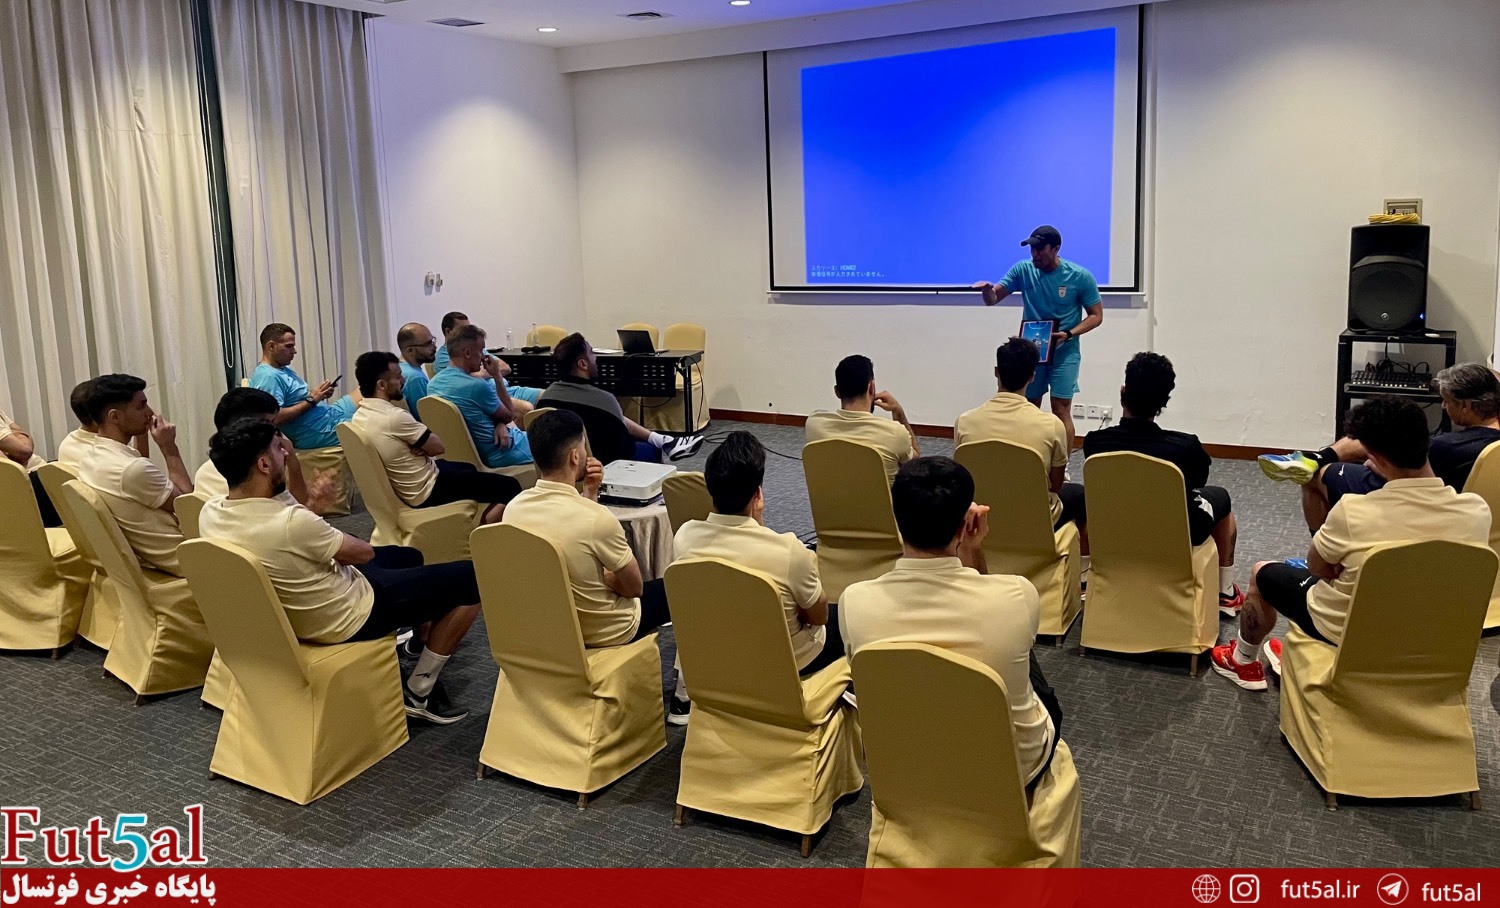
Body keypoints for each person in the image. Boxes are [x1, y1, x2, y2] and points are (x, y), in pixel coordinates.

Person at [198, 418, 480, 723]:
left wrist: (313, 512)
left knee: (408, 556)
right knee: (471, 578)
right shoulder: (291, 523)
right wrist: (317, 515)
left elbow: (293, 534)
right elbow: (363, 553)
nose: (287, 453)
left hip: (299, 610)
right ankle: (420, 690)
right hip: (347, 616)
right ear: (264, 465)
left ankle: (417, 642)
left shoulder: (211, 512)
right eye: (280, 448)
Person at [1211, 395, 1492, 691]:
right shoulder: (1476, 511)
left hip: (1347, 632)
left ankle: (1243, 661)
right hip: (1433, 636)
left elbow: (1316, 568)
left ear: (1376, 458)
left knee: (1262, 571)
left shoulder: (1353, 512)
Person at [840, 457, 1062, 791]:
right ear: (964, 525)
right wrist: (972, 550)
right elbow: (994, 603)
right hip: (1010, 772)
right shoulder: (1017, 595)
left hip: (907, 762)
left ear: (898, 520)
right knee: (1020, 651)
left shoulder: (854, 601)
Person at [501, 409, 684, 717]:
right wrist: (609, 578)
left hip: (548, 624)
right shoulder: (596, 519)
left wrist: (589, 492)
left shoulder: (514, 509)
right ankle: (684, 697)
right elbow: (634, 588)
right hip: (603, 629)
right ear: (576, 456)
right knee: (683, 589)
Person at [673, 430, 843, 680]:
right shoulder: (788, 550)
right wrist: (758, 522)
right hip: (785, 662)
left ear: (710, 489)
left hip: (719, 656)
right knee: (850, 617)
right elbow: (819, 616)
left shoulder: (684, 537)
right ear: (757, 494)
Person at [1082, 353, 1243, 614]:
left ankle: (1084, 581)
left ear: (1123, 392)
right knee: (1221, 498)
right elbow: (1198, 482)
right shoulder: (1185, 447)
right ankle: (1225, 591)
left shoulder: (1094, 443)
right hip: (1176, 534)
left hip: (1115, 528)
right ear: (1164, 402)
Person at [1259, 362, 1500, 531]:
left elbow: (1396, 465)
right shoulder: (1488, 444)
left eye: (1447, 402)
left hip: (1413, 497)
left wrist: (1373, 463)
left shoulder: (1447, 447)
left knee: (1314, 477)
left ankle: (1317, 466)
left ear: (1466, 406)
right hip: (1462, 505)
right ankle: (1317, 457)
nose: (1443, 407)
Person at [973, 225, 1104, 454]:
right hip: (1032, 352)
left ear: (1056, 249)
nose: (1035, 254)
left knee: (1061, 408)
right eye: (1032, 249)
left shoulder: (1079, 276)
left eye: (1040, 249)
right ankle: (1029, 458)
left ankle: (1061, 464)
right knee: (1028, 407)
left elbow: (1096, 316)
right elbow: (993, 299)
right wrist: (986, 290)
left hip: (1065, 351)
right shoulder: (1023, 270)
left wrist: (1069, 334)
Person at [352, 351, 520, 524]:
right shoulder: (394, 417)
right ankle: (480, 531)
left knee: (468, 467)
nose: (403, 380)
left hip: (414, 483)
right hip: (427, 489)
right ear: (381, 385)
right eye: (398, 376)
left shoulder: (360, 416)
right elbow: (438, 447)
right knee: (510, 486)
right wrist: (422, 446)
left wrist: (417, 446)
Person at [956, 337, 1087, 551]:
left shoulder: (964, 421)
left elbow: (964, 476)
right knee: (1079, 495)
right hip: (1035, 516)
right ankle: (1080, 564)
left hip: (982, 511)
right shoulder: (1051, 425)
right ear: (1032, 376)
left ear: (996, 372)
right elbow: (1055, 486)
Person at [76, 374, 192, 576]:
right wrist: (169, 447)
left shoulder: (89, 459)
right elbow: (187, 506)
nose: (150, 413)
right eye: (141, 406)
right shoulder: (131, 469)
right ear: (114, 417)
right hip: (183, 559)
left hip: (147, 560)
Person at [538, 333, 704, 463]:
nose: (595, 357)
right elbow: (624, 448)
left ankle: (665, 440)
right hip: (604, 465)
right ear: (582, 364)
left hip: (559, 463)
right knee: (650, 449)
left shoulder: (546, 398)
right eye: (592, 353)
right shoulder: (604, 400)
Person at [194, 388, 321, 509]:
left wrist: (292, 461)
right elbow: (294, 515)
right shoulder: (255, 471)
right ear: (242, 429)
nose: (275, 431)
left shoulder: (271, 458)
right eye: (269, 424)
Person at [426, 325, 534, 468]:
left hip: (464, 456)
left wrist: (499, 423)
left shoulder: (433, 384)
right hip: (502, 451)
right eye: (481, 350)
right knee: (556, 443)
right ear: (467, 353)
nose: (484, 357)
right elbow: (509, 415)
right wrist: (497, 375)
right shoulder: (476, 386)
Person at [804, 354, 918, 484]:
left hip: (831, 498)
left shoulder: (814, 424)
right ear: (871, 387)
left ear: (837, 391)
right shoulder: (894, 432)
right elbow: (915, 464)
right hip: (878, 499)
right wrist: (898, 412)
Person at [249, 322, 352, 450]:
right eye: (289, 346)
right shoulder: (268, 377)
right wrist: (312, 400)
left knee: (364, 390)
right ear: (271, 346)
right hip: (316, 431)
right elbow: (274, 418)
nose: (294, 351)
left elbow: (298, 399)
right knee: (372, 424)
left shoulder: (282, 369)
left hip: (327, 416)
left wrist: (320, 394)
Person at [431, 311, 540, 407]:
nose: (470, 333)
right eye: (464, 330)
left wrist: (482, 373)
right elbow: (466, 380)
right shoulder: (443, 358)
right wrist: (491, 372)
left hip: (508, 390)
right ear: (448, 331)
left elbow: (505, 367)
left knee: (547, 395)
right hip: (491, 397)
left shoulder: (476, 350)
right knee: (526, 407)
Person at [1, 398, 58, 526]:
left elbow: (22, 434)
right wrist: (18, 438)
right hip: (25, 484)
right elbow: (24, 451)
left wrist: (18, 438)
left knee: (69, 465)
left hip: (33, 473)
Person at [395, 322, 437, 413]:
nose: (434, 347)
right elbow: (427, 416)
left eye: (433, 341)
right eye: (428, 344)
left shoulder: (398, 368)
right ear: (410, 350)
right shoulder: (415, 378)